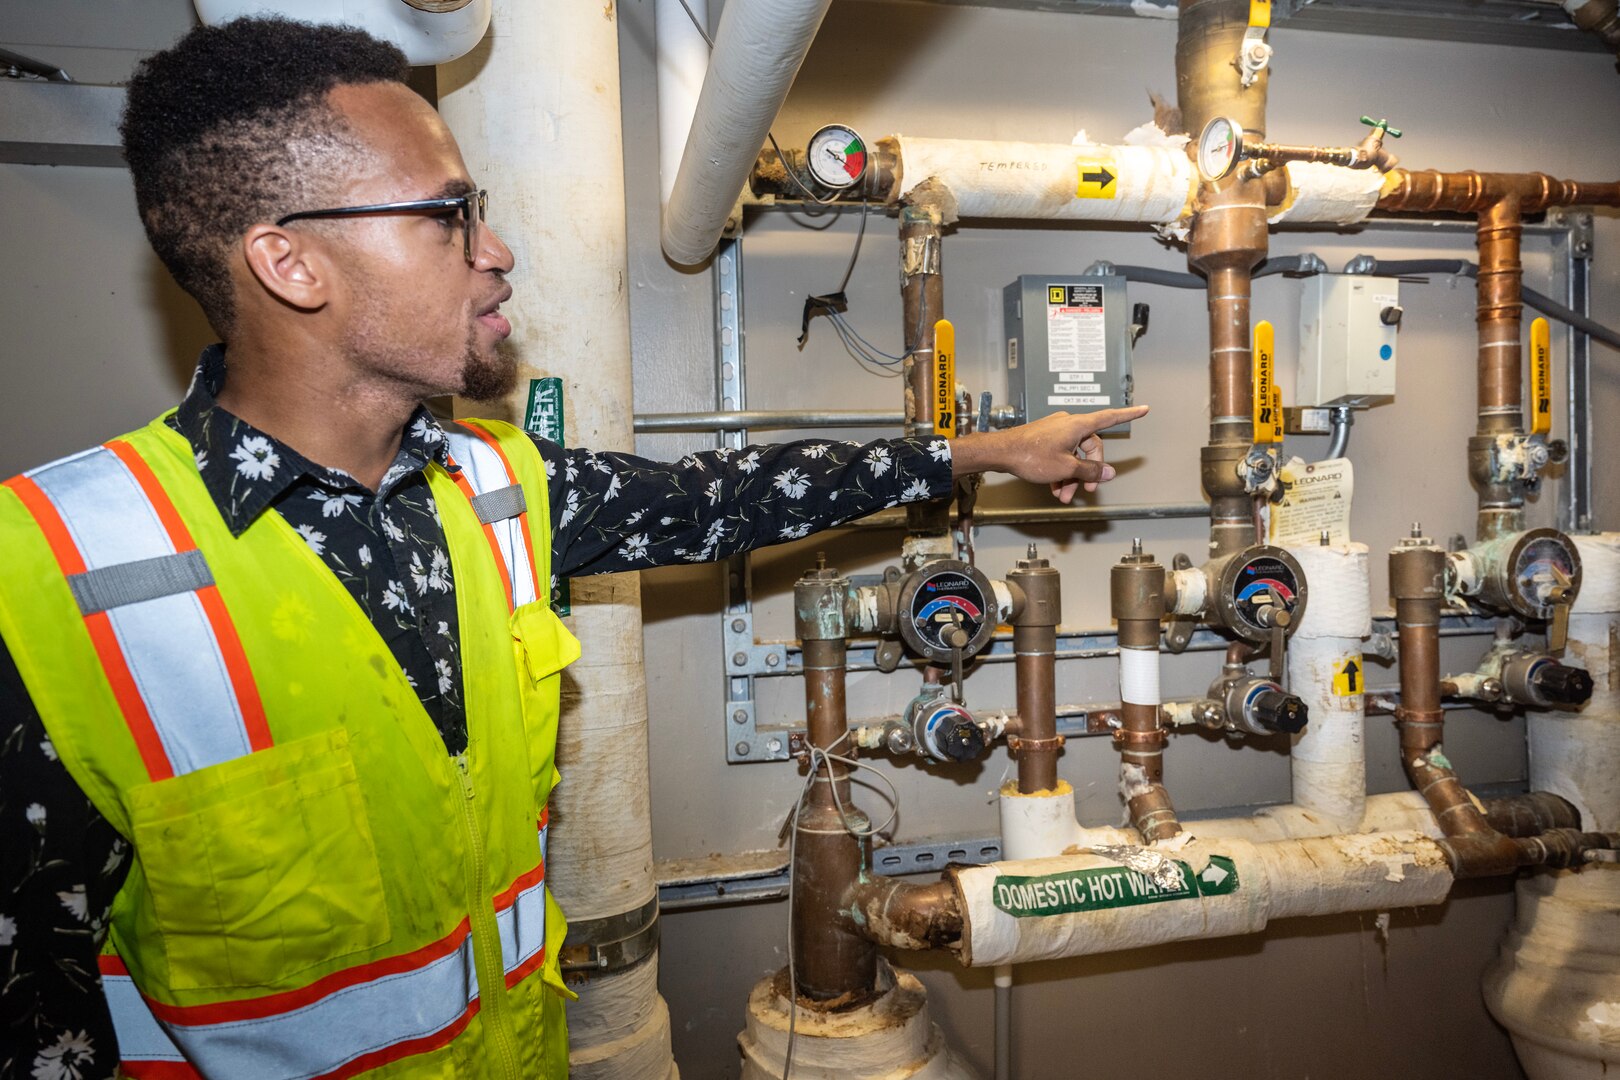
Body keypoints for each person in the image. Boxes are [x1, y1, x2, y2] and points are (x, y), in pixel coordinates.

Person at [0, 17, 1147, 1080]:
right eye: (448, 215)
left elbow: (726, 497)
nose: (496, 251)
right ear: (289, 264)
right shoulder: (53, 570)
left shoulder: (495, 486)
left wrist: (982, 451)